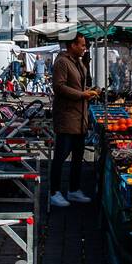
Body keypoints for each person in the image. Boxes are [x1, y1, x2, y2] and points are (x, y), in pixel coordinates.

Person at [49, 34, 98, 208]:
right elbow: (59, 87)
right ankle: (54, 192)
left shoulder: (79, 62)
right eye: (82, 45)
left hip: (80, 118)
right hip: (67, 118)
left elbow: (79, 84)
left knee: (78, 156)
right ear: (72, 45)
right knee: (61, 157)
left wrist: (88, 91)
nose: (84, 48)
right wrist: (82, 95)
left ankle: (74, 189)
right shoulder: (62, 62)